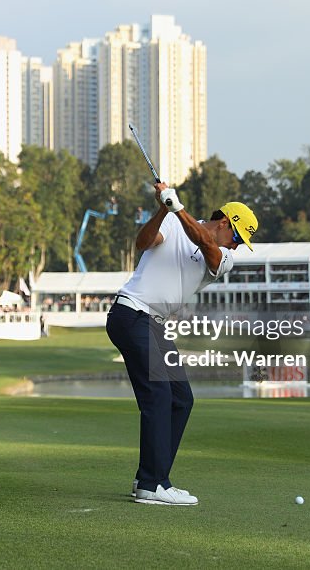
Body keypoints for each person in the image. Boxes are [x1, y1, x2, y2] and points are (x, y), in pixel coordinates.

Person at [107, 182, 258, 506]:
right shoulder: (172, 223)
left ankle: (154, 478)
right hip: (131, 314)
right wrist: (163, 209)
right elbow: (143, 242)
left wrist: (176, 208)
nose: (238, 246)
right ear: (224, 223)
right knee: (159, 395)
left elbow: (205, 244)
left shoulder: (223, 257)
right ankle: (151, 485)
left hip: (154, 325)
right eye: (237, 237)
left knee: (180, 399)